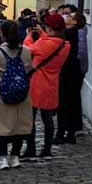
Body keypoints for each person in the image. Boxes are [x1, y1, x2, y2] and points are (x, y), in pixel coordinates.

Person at [0, 19, 33, 168]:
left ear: (2, 34)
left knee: (1, 127)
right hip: (21, 94)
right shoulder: (26, 52)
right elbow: (29, 68)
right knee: (19, 127)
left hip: (0, 94)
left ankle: (2, 158)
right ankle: (15, 157)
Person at [24, 12, 70, 161]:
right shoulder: (65, 45)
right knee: (48, 119)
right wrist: (44, 34)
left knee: (30, 119)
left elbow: (27, 49)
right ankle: (47, 149)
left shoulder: (44, 43)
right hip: (52, 84)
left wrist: (29, 35)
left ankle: (31, 148)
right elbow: (49, 45)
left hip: (37, 83)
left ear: (50, 27)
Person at [56, 9, 87, 144]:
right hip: (75, 71)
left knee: (64, 103)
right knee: (72, 102)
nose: (67, 17)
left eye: (70, 16)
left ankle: (61, 133)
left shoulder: (69, 33)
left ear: (75, 22)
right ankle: (70, 133)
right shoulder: (76, 32)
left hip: (68, 71)